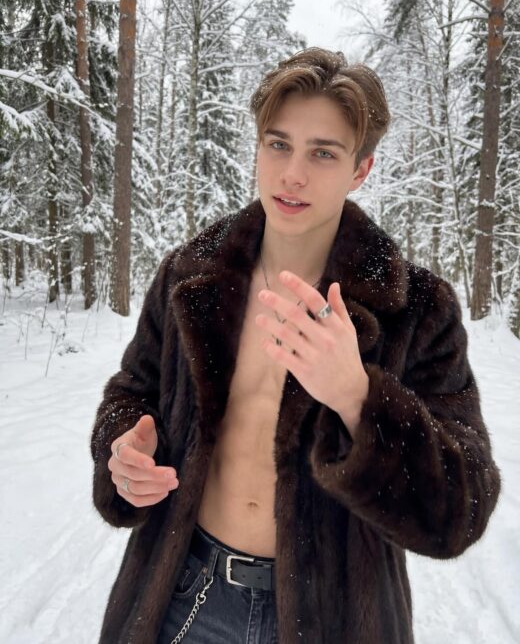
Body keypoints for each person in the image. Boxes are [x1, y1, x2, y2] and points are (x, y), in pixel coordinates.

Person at [90, 47, 501, 644]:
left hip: (333, 618)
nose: (292, 174)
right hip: (184, 596)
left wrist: (358, 398)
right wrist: (124, 454)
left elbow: (462, 511)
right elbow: (130, 394)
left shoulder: (415, 310)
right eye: (278, 144)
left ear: (361, 169)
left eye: (323, 153)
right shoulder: (190, 277)